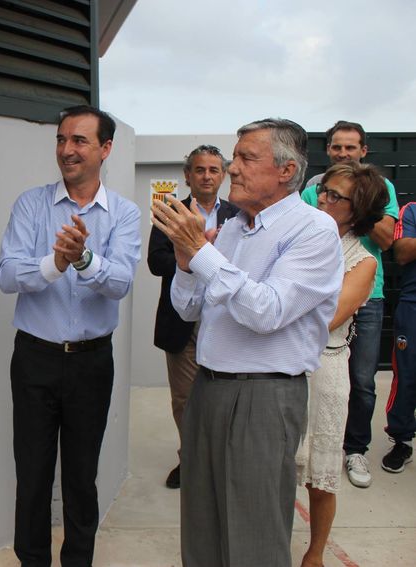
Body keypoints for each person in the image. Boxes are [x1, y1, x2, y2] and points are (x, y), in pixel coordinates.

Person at [151, 118, 343, 567]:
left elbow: (267, 311)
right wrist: (184, 262)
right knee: (202, 530)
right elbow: (189, 309)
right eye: (233, 157)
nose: (231, 168)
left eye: (245, 158)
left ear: (285, 170)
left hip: (264, 396)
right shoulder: (233, 229)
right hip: (209, 387)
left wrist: (201, 253)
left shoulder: (312, 230)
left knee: (253, 539)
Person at [0, 105, 141, 567]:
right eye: (61, 140)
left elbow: (120, 283)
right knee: (33, 474)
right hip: (35, 359)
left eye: (79, 141)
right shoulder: (30, 204)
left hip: (91, 363)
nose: (66, 150)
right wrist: (54, 263)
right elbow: (5, 274)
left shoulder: (124, 214)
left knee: (82, 477)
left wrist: (83, 259)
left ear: (105, 148)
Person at [295, 162, 389, 567]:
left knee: (321, 472)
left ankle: (314, 554)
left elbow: (325, 319)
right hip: (283, 366)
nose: (324, 199)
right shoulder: (296, 239)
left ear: (359, 209)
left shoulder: (362, 261)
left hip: (326, 369)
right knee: (278, 467)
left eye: (336, 196)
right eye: (324, 191)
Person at [301, 120, 400, 488]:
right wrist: (334, 196)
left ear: (363, 151)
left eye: (350, 147)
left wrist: (362, 205)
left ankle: (355, 448)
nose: (343, 153)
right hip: (319, 289)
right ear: (327, 150)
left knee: (361, 378)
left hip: (367, 293)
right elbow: (306, 229)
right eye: (336, 147)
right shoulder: (315, 188)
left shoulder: (382, 187)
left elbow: (388, 239)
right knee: (311, 374)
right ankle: (310, 445)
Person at [147, 145, 238, 489]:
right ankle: (191, 460)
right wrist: (191, 258)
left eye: (214, 170)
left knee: (222, 396)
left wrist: (207, 257)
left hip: (225, 319)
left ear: (223, 175)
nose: (207, 176)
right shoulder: (169, 211)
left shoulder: (238, 213)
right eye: (199, 170)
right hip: (180, 321)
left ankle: (218, 461)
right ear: (188, 175)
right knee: (185, 398)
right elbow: (156, 261)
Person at [382, 200, 416, 474]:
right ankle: (402, 441)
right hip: (413, 306)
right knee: (406, 376)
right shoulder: (411, 210)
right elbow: (403, 252)